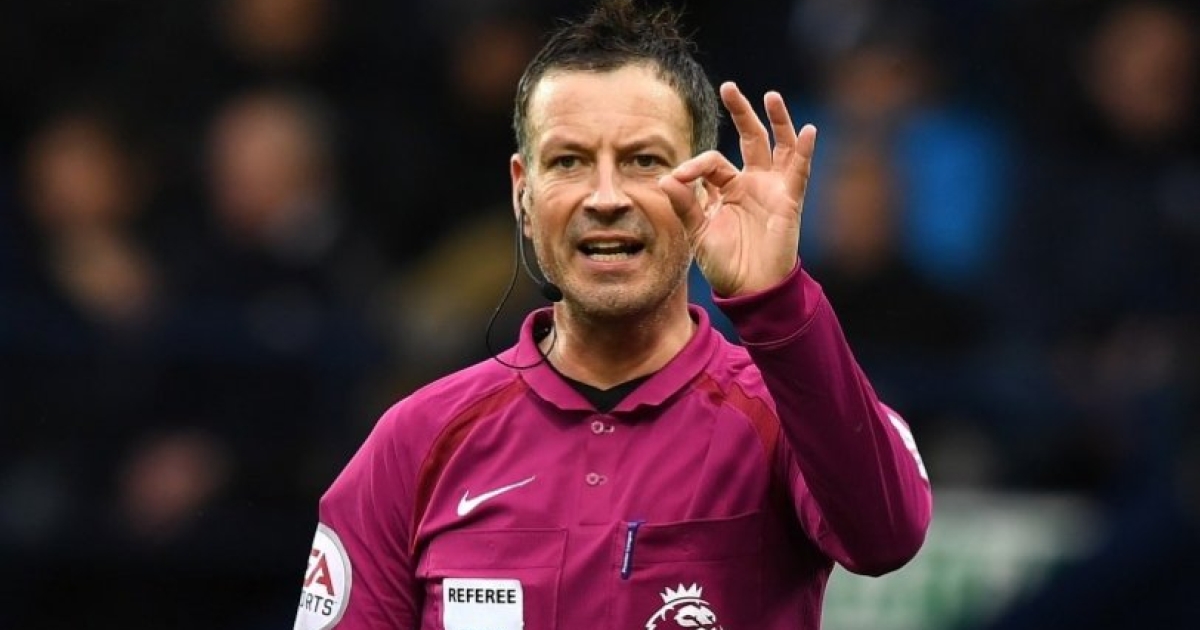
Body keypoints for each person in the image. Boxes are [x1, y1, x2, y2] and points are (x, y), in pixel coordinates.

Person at [294, 1, 932, 628]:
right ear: (523, 193)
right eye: (568, 161)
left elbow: (887, 538)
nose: (605, 197)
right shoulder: (415, 442)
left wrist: (777, 302)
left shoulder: (780, 418)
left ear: (705, 187)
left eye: (644, 161)